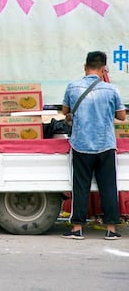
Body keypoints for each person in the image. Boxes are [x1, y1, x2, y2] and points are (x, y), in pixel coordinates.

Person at [61, 50, 126, 240]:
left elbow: (65, 110)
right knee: (108, 187)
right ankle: (111, 229)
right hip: (105, 144)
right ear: (104, 69)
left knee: (80, 186)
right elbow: (121, 116)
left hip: (81, 144)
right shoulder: (111, 89)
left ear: (85, 67)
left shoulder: (73, 87)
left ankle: (77, 229)